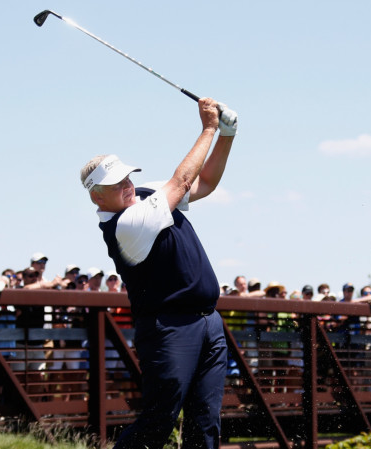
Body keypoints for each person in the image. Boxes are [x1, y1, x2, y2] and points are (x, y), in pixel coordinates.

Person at [80, 97, 236, 449]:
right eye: (115, 183)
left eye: (125, 176)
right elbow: (182, 181)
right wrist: (209, 127)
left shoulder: (145, 194)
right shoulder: (126, 224)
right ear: (97, 199)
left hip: (208, 321)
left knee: (205, 420)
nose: (127, 184)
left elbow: (205, 182)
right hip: (169, 327)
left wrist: (227, 135)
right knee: (159, 420)